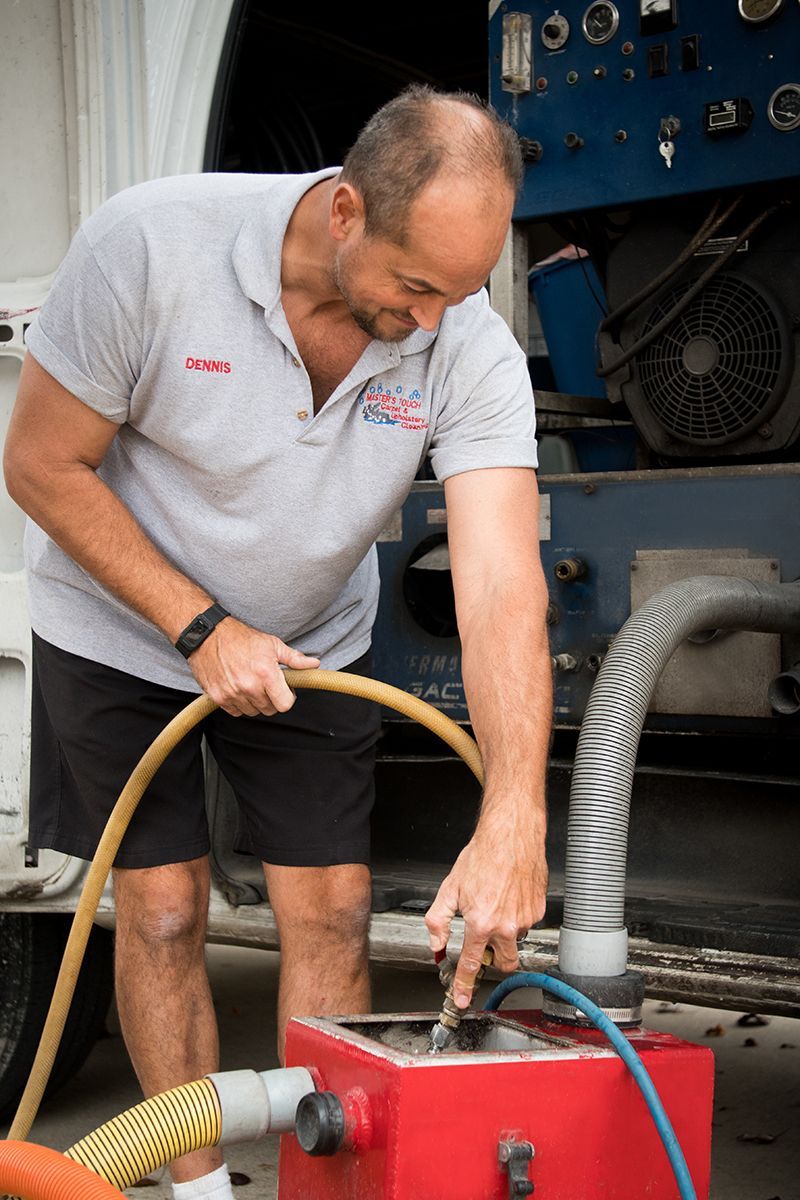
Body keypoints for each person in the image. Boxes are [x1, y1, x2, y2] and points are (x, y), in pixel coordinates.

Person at [4, 86, 551, 1199]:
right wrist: (199, 627)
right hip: (118, 629)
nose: (433, 322)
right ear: (344, 211)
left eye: (458, 293)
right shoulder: (150, 247)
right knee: (163, 912)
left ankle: (321, 1187)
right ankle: (198, 1187)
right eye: (414, 286)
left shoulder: (464, 341)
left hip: (310, 641)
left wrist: (514, 814)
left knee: (335, 908)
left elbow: (501, 585)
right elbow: (40, 464)